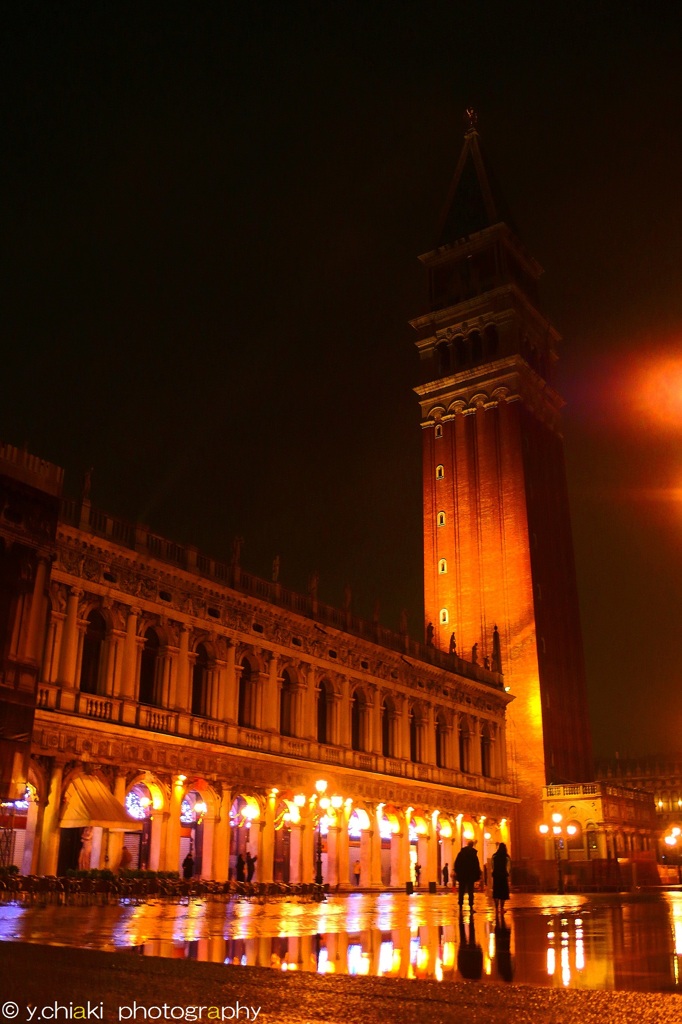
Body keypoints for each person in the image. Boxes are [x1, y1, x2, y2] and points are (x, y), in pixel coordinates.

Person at [454, 840, 481, 913]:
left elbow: (456, 863)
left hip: (462, 875)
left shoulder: (461, 853)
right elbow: (476, 865)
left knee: (461, 891)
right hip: (470, 875)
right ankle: (471, 906)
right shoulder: (473, 854)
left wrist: (457, 872)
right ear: (472, 845)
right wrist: (478, 874)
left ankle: (460, 906)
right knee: (470, 891)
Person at [492, 841, 511, 918]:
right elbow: (508, 867)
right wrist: (507, 873)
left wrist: (495, 871)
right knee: (503, 892)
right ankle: (502, 907)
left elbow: (492, 866)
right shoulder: (506, 857)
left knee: (496, 892)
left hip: (496, 876)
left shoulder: (494, 856)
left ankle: (496, 908)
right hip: (503, 875)